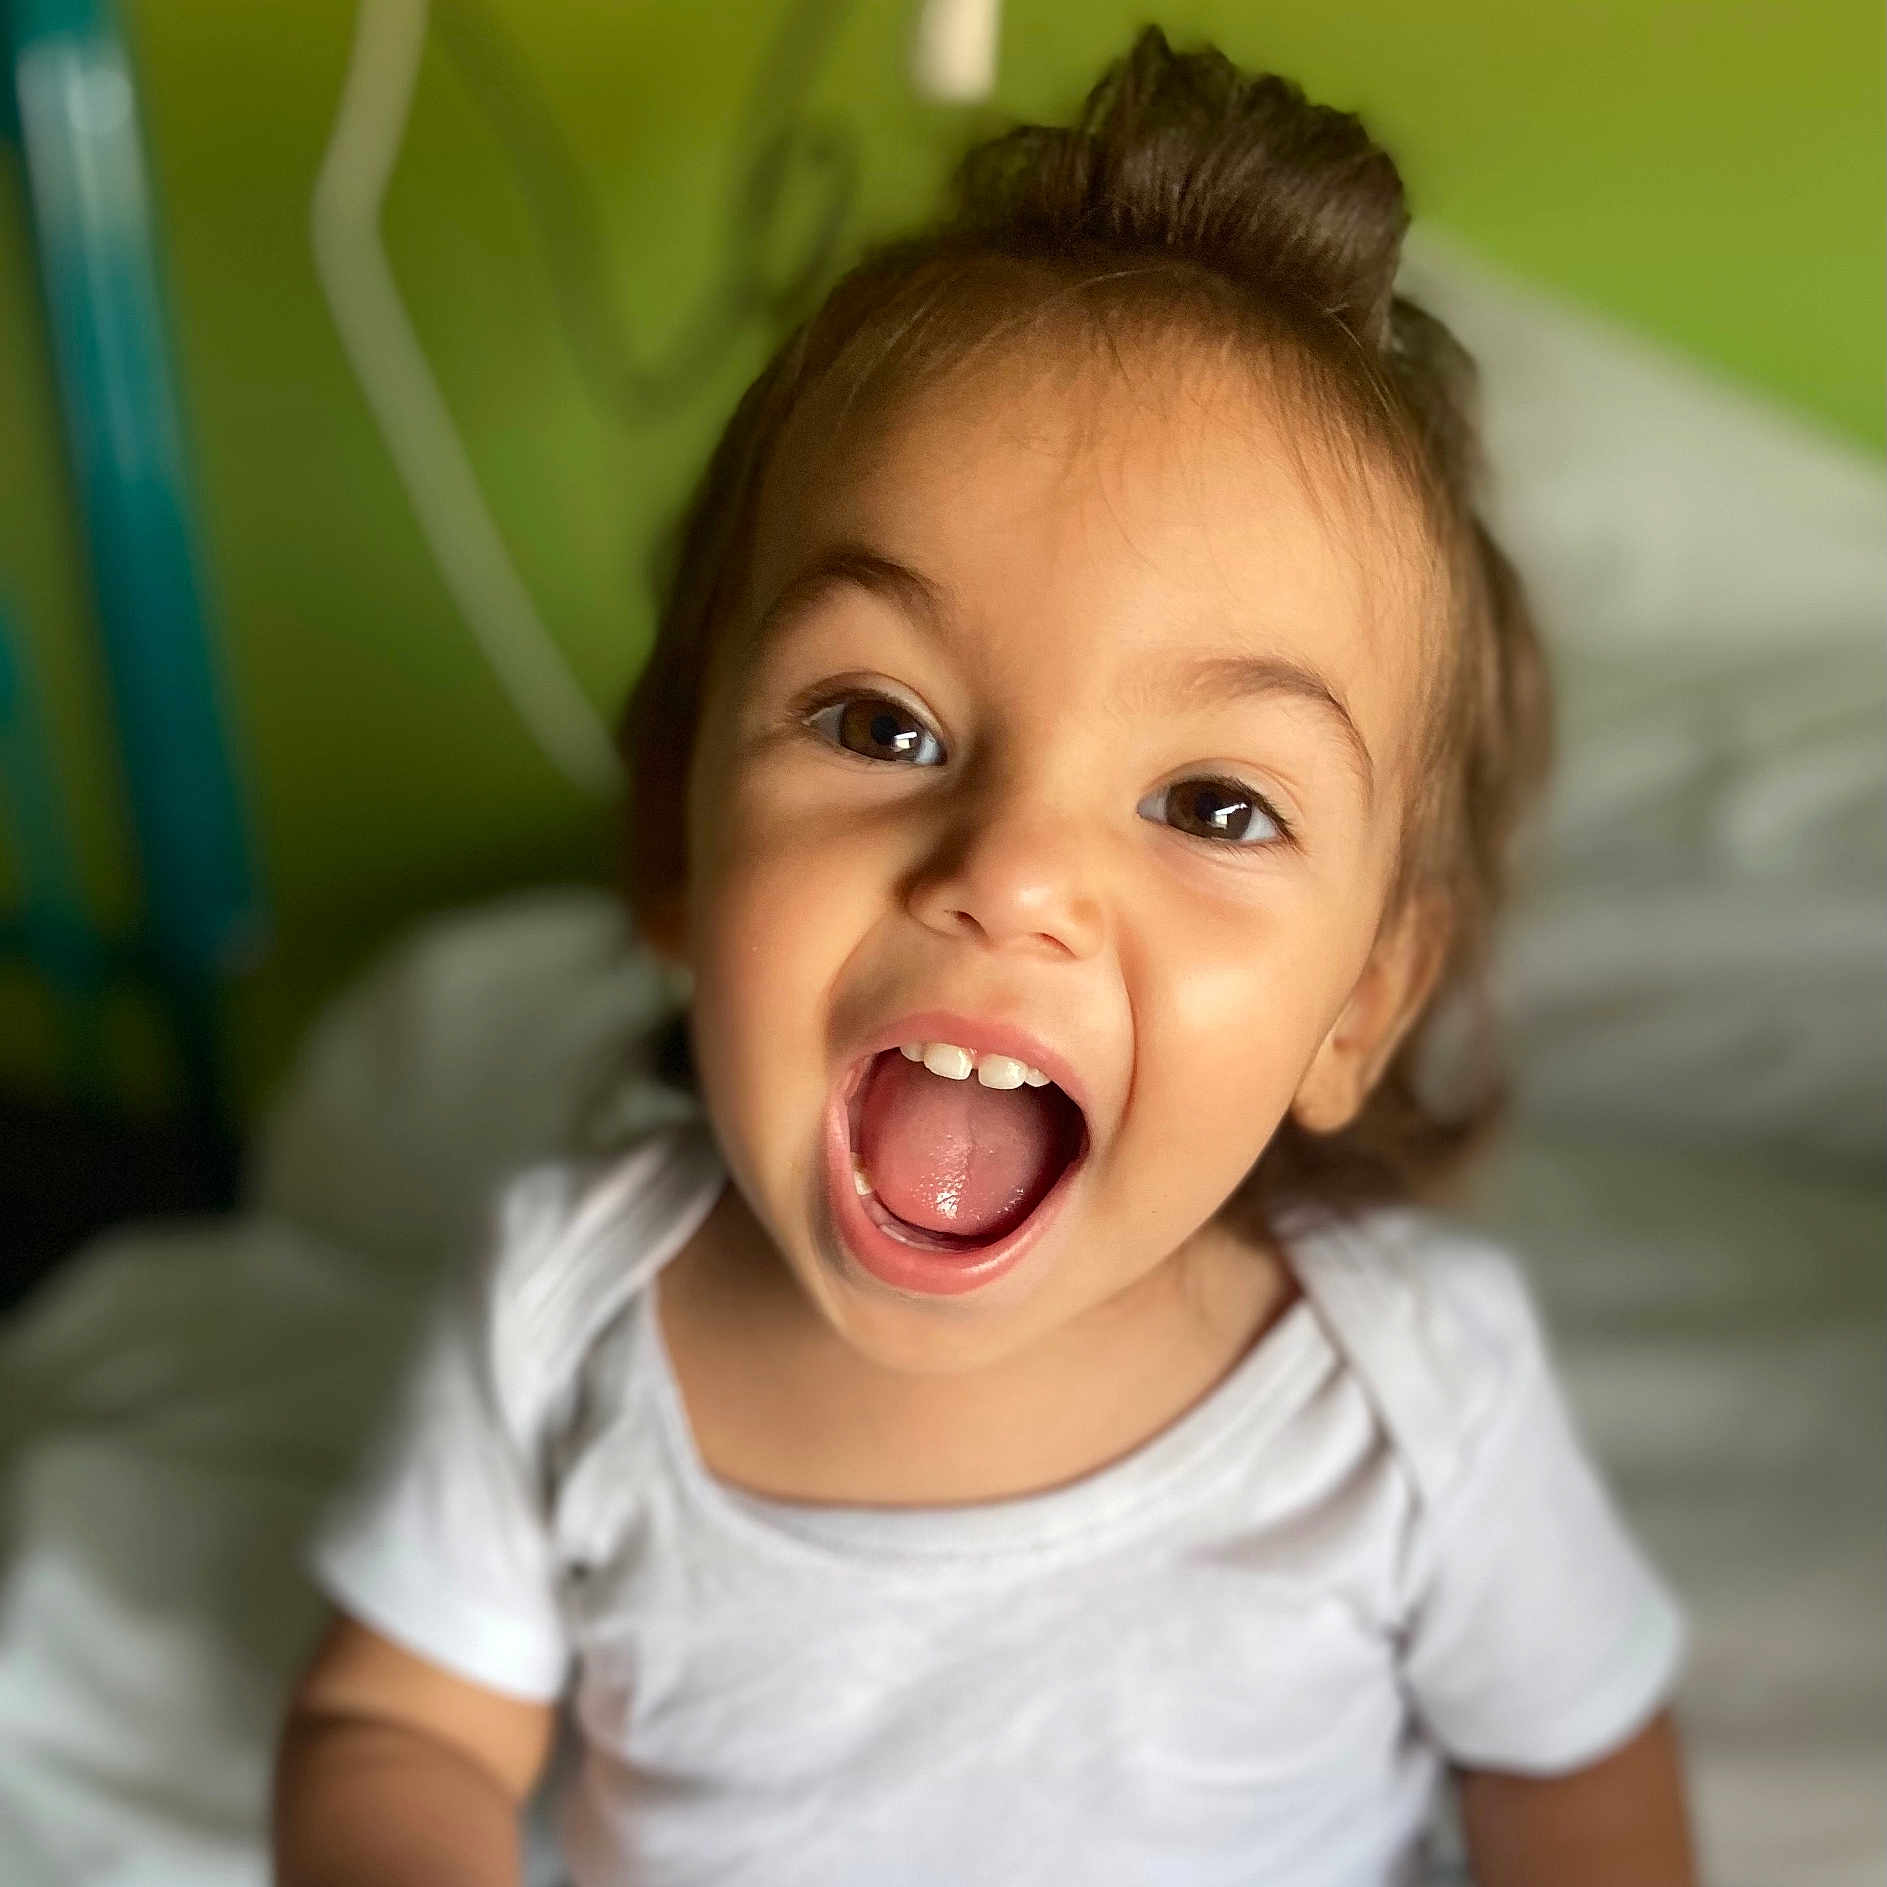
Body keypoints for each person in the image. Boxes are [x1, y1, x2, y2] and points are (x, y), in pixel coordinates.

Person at [273, 28, 1695, 1886]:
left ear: (1363, 1000)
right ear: (674, 848)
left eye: (1212, 803)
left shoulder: (1408, 1398)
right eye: (879, 723)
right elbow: (401, 1727)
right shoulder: (569, 1327)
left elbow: (1574, 1776)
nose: (1012, 873)